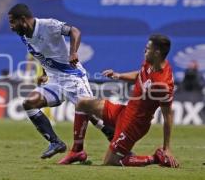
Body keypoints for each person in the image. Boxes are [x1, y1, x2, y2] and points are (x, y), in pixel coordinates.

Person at [8, 3, 113, 162]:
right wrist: (44, 73)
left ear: (22, 19)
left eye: (12, 22)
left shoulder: (48, 25)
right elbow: (43, 54)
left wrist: (73, 53)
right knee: (29, 103)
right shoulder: (24, 35)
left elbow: (74, 31)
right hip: (54, 81)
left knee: (91, 112)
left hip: (73, 77)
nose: (11, 27)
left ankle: (114, 138)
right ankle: (56, 142)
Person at [75, 34, 179, 167]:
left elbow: (168, 116)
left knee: (110, 162)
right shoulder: (151, 61)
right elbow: (140, 74)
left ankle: (155, 158)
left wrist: (167, 148)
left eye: (147, 48)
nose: (144, 50)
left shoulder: (162, 84)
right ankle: (76, 151)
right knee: (83, 103)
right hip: (124, 111)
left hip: (134, 125)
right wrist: (119, 75)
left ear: (157, 53)